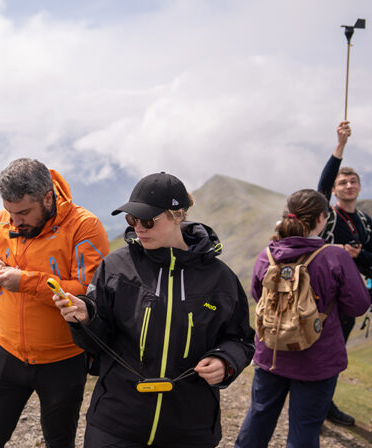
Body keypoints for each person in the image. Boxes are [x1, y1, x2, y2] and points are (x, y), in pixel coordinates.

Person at [54, 172, 255, 448]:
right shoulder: (115, 268)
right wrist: (86, 318)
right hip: (115, 425)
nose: (138, 228)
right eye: (131, 220)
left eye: (148, 221)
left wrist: (225, 362)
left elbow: (241, 339)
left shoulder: (220, 279)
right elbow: (97, 342)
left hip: (189, 429)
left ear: (178, 215)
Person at [0, 158, 110, 447]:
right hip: (4, 352)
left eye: (23, 212)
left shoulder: (85, 226)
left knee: (59, 441)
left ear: (48, 198)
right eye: (10, 212)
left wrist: (26, 281)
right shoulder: (1, 221)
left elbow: (87, 290)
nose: (15, 221)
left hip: (64, 360)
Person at [235, 189, 370, 448]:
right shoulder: (335, 256)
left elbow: (256, 293)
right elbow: (358, 305)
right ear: (323, 218)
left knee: (259, 415)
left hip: (271, 353)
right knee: (305, 428)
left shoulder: (268, 254)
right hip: (316, 359)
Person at [317, 120, 372, 426]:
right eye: (343, 182)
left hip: (354, 300)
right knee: (322, 352)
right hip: (326, 299)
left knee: (337, 355)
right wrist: (340, 147)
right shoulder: (326, 217)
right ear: (335, 190)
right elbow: (321, 187)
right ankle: (316, 408)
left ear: (359, 187)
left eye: (353, 182)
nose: (348, 186)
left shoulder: (365, 221)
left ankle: (325, 404)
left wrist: (359, 253)